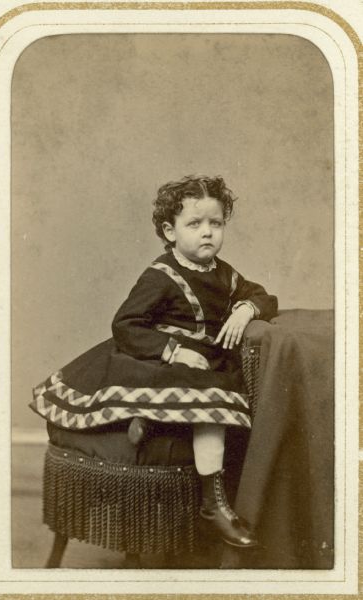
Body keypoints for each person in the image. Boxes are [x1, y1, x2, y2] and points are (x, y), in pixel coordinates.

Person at [31, 175, 278, 549]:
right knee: (205, 400)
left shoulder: (224, 273)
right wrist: (174, 351)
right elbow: (125, 324)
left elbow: (262, 295)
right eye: (194, 224)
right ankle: (208, 499)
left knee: (217, 389)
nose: (207, 233)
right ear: (170, 230)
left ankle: (205, 491)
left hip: (199, 364)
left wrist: (245, 309)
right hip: (154, 357)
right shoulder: (160, 275)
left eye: (216, 223)